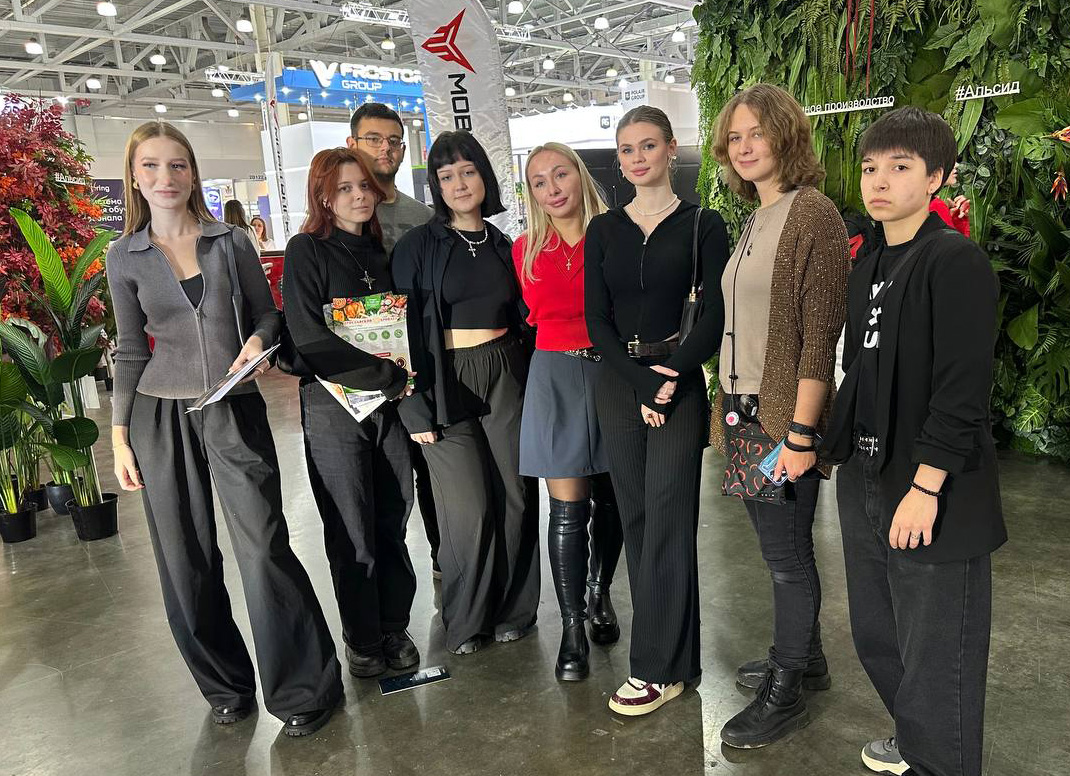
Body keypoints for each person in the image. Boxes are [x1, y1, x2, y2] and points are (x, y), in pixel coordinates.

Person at [106, 121, 342, 737]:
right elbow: (129, 350)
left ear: (193, 173)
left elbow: (266, 312)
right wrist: (120, 434)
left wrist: (259, 341)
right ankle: (224, 686)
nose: (166, 177)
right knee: (184, 557)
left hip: (233, 405)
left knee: (263, 543)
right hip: (160, 414)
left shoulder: (229, 241)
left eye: (177, 165)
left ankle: (304, 689)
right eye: (152, 166)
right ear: (135, 176)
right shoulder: (123, 255)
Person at [822, 106, 1007, 776]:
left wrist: (927, 486)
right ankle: (916, 739)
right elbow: (859, 371)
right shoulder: (869, 263)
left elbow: (963, 389)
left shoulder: (954, 261)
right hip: (866, 475)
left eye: (900, 167)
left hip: (929, 484)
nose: (879, 181)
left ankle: (940, 761)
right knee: (878, 632)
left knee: (937, 651)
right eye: (871, 167)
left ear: (937, 177)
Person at [707, 83, 850, 748]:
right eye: (734, 137)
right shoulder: (758, 215)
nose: (743, 147)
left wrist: (800, 432)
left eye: (756, 133)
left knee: (787, 557)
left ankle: (785, 689)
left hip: (779, 419)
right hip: (743, 412)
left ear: (785, 135)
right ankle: (806, 658)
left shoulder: (812, 213)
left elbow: (819, 339)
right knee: (778, 551)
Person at [585, 106, 729, 715]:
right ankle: (674, 659)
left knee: (670, 515)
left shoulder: (703, 225)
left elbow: (716, 312)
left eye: (648, 145)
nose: (637, 158)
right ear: (619, 161)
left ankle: (653, 668)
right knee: (638, 517)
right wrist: (641, 384)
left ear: (671, 149)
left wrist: (669, 378)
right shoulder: (603, 230)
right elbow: (597, 320)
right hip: (619, 384)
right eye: (627, 149)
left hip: (680, 381)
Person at [392, 130, 539, 656]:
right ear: (435, 185)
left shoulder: (503, 245)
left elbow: (527, 320)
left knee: (516, 496)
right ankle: (467, 618)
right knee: (467, 509)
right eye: (446, 175)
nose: (458, 184)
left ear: (484, 177)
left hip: (505, 370)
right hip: (443, 378)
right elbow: (399, 334)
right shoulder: (416, 247)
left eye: (468, 172)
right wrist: (413, 407)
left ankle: (514, 610)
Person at [282, 147, 420, 680]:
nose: (359, 195)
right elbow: (308, 336)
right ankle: (363, 637)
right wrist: (386, 375)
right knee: (351, 527)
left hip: (388, 407)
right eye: (344, 188)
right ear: (323, 196)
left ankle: (394, 626)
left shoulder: (385, 252)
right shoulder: (307, 250)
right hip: (333, 406)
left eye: (363, 185)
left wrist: (397, 381)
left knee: (393, 516)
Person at [514, 142, 623, 682]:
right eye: (539, 181)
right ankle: (573, 627)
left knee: (612, 499)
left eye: (561, 174)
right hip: (555, 376)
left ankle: (600, 591)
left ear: (580, 177)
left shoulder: (617, 234)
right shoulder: (524, 250)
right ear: (531, 193)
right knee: (567, 509)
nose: (552, 188)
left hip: (611, 372)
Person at [348, 102, 441, 579]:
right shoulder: (337, 216)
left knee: (433, 475)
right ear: (352, 144)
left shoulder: (422, 217)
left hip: (421, 365)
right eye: (374, 139)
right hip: (362, 378)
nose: (385, 149)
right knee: (383, 493)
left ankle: (446, 565)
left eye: (394, 141)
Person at [928, 163, 970, 237]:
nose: (956, 165)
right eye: (950, 159)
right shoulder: (936, 205)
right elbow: (957, 243)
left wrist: (956, 218)